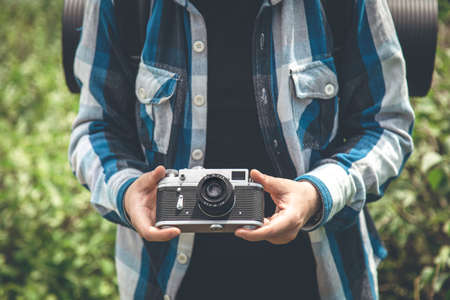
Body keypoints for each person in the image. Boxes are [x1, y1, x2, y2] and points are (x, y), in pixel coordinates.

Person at [68, 0, 414, 299]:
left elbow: (386, 126)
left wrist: (316, 195)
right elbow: (95, 128)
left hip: (319, 278)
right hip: (165, 280)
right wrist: (127, 192)